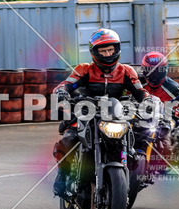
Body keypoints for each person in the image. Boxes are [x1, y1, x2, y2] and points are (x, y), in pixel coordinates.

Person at [51, 28, 149, 197]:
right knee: (70, 137)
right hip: (87, 113)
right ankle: (62, 173)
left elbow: (140, 92)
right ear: (94, 52)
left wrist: (148, 101)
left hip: (116, 114)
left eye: (110, 49)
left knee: (140, 135)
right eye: (103, 51)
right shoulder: (84, 70)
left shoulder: (126, 71)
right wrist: (62, 93)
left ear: (117, 49)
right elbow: (65, 85)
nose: (107, 54)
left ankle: (131, 175)